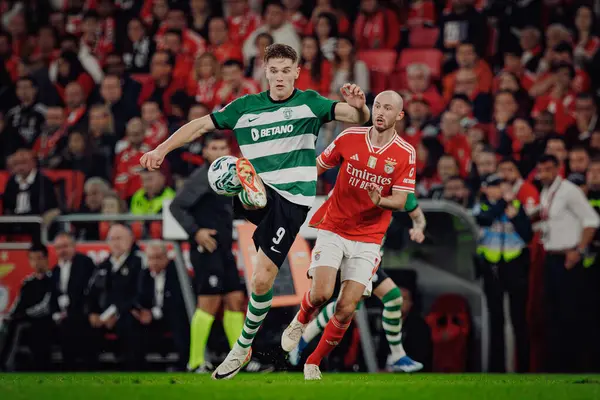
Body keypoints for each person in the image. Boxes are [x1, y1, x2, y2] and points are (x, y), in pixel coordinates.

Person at [140, 43, 370, 380]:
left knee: (262, 280)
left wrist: (361, 109)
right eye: (273, 70)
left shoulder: (310, 103)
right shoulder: (245, 107)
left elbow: (356, 118)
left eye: (285, 71)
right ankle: (245, 184)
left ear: (296, 72)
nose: (279, 77)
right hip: (262, 195)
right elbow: (199, 126)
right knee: (226, 170)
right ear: (266, 72)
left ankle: (243, 346)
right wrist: (161, 148)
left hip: (291, 201)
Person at [280, 91, 417, 380]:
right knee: (320, 294)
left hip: (369, 238)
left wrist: (381, 201)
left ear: (399, 116)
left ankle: (312, 362)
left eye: (388, 108)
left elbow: (404, 200)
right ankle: (299, 320)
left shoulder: (405, 153)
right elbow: (318, 166)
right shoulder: (349, 137)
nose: (380, 112)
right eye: (377, 106)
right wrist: (290, 188)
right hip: (335, 226)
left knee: (345, 308)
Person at [288, 192, 427, 372]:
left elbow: (416, 213)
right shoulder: (354, 182)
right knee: (385, 298)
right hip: (352, 253)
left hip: (372, 257)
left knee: (358, 305)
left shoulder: (398, 189)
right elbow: (330, 205)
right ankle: (398, 356)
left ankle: (301, 342)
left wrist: (419, 227)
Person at [169, 132, 271, 373]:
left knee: (235, 300)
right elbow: (176, 206)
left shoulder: (230, 175)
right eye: (213, 148)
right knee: (209, 303)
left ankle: (240, 360)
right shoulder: (202, 177)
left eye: (222, 147)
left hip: (224, 248)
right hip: (207, 249)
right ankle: (195, 362)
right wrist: (196, 232)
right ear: (205, 152)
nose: (218, 152)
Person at [473, 174, 534, 372]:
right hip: (490, 268)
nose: (497, 189)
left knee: (519, 320)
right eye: (493, 186)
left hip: (514, 265)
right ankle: (495, 369)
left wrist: (515, 217)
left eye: (500, 185)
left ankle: (523, 368)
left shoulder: (515, 206)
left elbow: (527, 235)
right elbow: (485, 219)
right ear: (485, 189)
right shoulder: (480, 206)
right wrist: (502, 205)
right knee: (495, 320)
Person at [84, 224, 144, 370]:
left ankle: (131, 370)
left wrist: (115, 313)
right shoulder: (103, 266)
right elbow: (91, 293)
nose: (116, 242)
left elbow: (139, 294)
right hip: (103, 316)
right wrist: (92, 313)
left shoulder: (139, 263)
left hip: (125, 313)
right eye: (112, 239)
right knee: (82, 324)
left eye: (119, 238)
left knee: (130, 323)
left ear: (131, 239)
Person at [133, 241, 189, 371]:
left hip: (172, 315)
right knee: (132, 323)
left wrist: (153, 313)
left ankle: (183, 365)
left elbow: (177, 302)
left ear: (167, 257)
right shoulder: (144, 273)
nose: (154, 262)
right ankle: (136, 366)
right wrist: (140, 311)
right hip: (152, 319)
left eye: (158, 257)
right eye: (151, 258)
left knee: (179, 321)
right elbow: (138, 297)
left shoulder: (176, 271)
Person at [0, 244, 53, 371]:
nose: (36, 262)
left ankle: (5, 364)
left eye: (39, 258)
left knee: (17, 326)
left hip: (43, 320)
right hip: (23, 319)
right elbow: (17, 304)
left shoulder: (52, 280)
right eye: (33, 259)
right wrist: (10, 315)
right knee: (5, 323)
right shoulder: (27, 282)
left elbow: (46, 306)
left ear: (46, 259)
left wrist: (24, 315)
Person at [50, 232, 96, 370]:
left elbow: (87, 290)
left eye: (65, 246)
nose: (62, 251)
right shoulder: (55, 270)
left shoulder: (84, 262)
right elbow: (53, 294)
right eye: (58, 248)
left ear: (74, 246)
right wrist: (56, 312)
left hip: (81, 312)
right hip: (62, 315)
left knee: (74, 324)